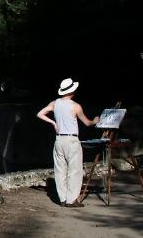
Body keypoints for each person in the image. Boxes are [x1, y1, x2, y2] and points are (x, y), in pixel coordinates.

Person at [36, 78, 100, 207]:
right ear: (72, 91)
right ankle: (71, 200)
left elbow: (40, 114)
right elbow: (87, 123)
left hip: (59, 140)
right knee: (74, 170)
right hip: (71, 140)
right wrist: (95, 120)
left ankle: (62, 198)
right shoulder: (76, 106)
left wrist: (53, 122)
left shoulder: (54, 103)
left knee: (60, 170)